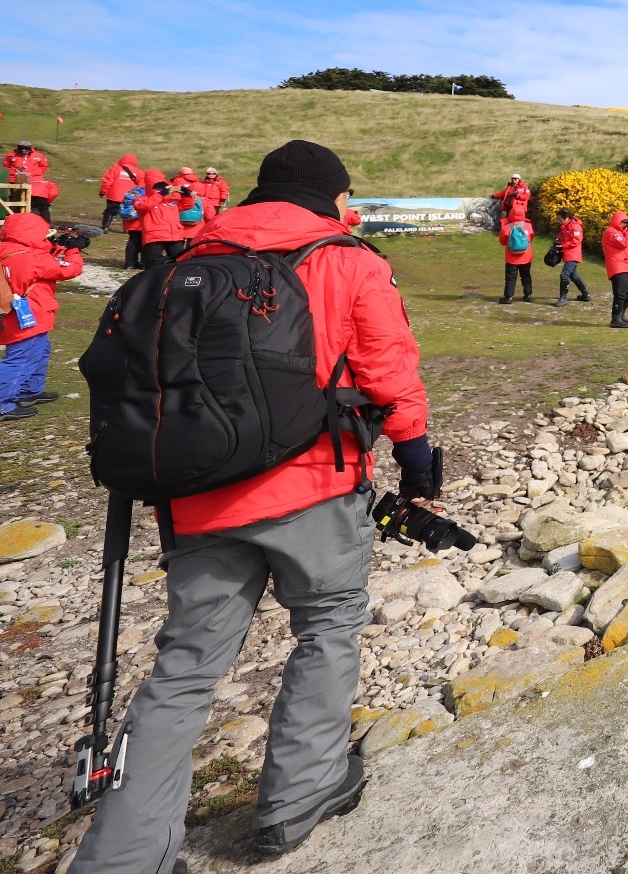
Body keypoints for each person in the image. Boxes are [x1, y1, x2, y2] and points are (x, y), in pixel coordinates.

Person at [69, 140, 435, 872]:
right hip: (313, 485)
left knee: (186, 665)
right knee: (328, 624)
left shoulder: (183, 257)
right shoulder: (348, 257)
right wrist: (417, 460)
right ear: (333, 196)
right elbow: (389, 369)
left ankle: (125, 855)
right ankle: (299, 795)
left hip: (198, 494)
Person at [0, 212, 84, 422]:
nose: (45, 237)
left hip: (4, 311)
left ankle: (28, 392)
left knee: (40, 350)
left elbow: (34, 263)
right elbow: (70, 269)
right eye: (43, 233)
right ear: (32, 232)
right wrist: (73, 250)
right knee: (20, 358)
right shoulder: (31, 256)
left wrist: (56, 246)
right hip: (29, 313)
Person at [131, 174, 196, 267]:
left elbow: (187, 205)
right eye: (156, 188)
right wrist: (160, 194)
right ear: (150, 187)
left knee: (179, 262)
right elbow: (143, 206)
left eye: (162, 187)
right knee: (153, 263)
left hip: (174, 235)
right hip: (155, 236)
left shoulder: (171, 200)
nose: (159, 190)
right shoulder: (141, 200)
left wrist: (186, 194)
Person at [601, 210, 628, 329]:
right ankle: (615, 319)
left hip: (624, 266)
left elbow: (627, 240)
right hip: (617, 266)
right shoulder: (610, 232)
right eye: (624, 223)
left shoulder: (621, 232)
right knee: (620, 294)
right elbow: (624, 243)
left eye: (627, 223)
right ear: (617, 222)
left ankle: (620, 316)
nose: (625, 225)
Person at [553, 210, 589, 306]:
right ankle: (586, 294)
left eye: (560, 219)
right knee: (573, 275)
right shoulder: (566, 226)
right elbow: (561, 236)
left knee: (564, 275)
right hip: (569, 254)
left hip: (573, 255)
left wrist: (563, 245)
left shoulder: (575, 227)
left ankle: (563, 298)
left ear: (567, 218)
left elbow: (576, 241)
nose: (559, 221)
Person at [98, 155, 143, 232]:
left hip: (114, 195)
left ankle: (105, 228)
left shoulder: (115, 169)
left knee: (110, 211)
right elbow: (141, 185)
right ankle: (126, 229)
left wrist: (102, 192)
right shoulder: (138, 172)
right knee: (127, 211)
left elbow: (108, 182)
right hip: (129, 196)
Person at [499, 212, 535, 303]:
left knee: (510, 277)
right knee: (526, 276)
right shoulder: (528, 226)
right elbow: (531, 238)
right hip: (526, 256)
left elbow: (502, 242)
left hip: (511, 258)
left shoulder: (506, 227)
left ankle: (508, 297)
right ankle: (528, 295)